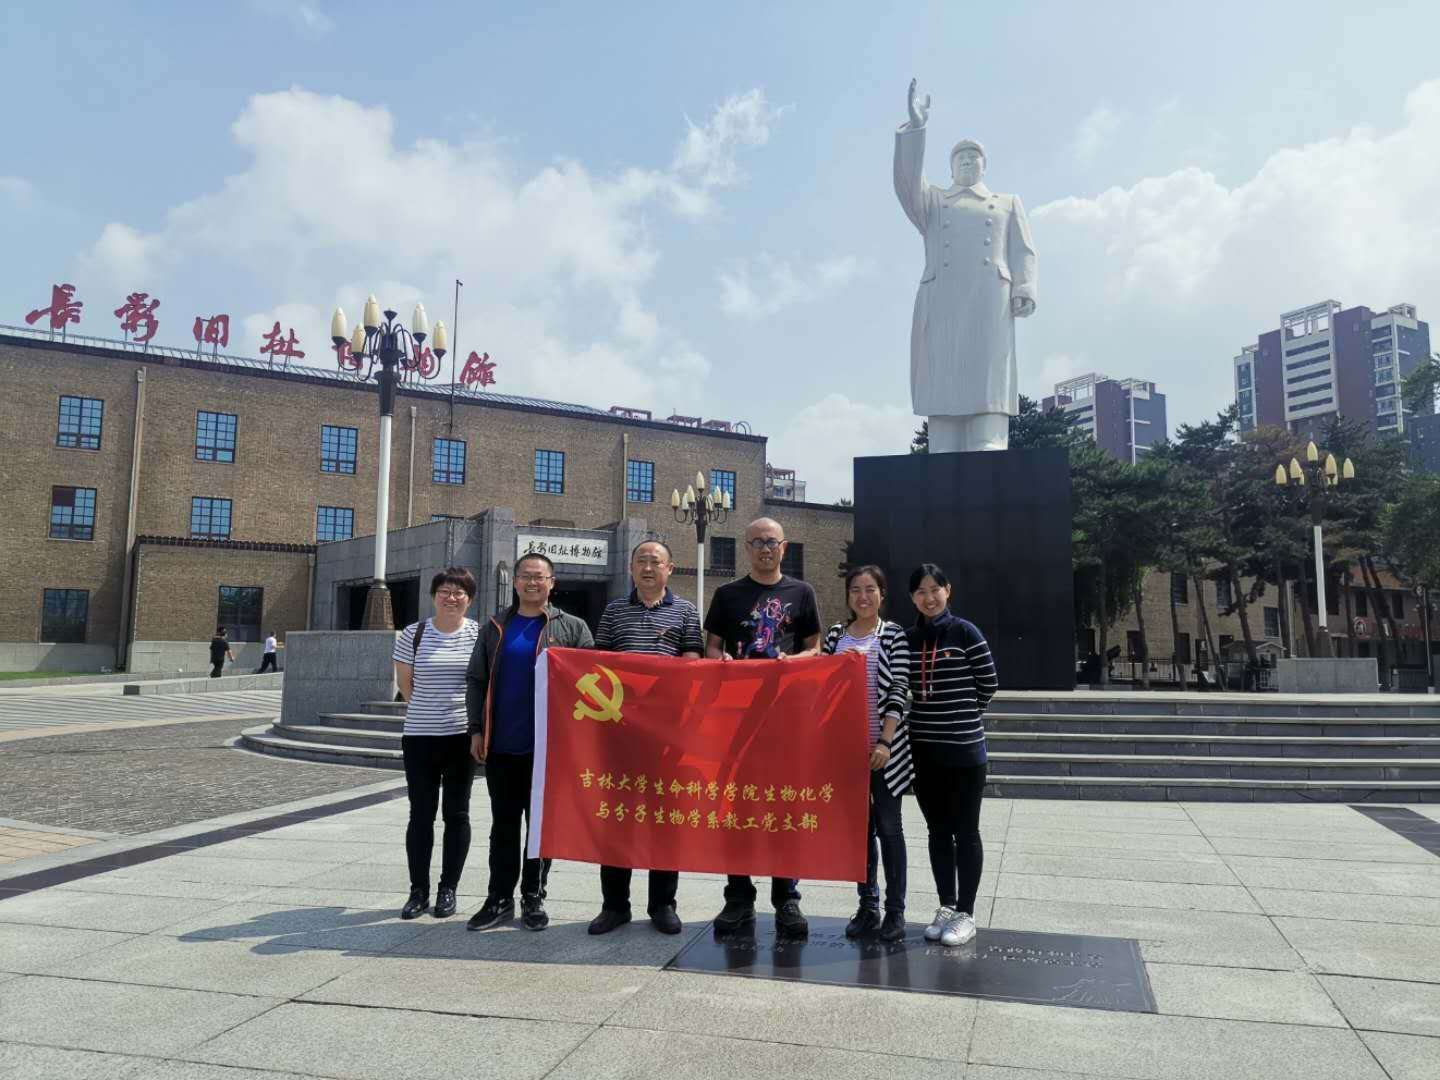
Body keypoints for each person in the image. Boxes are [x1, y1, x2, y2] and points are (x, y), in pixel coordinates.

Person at [704, 516, 820, 937]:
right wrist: (721, 661)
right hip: (735, 717)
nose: (765, 548)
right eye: (757, 542)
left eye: (772, 541)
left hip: (784, 718)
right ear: (746, 548)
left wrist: (793, 662)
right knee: (736, 805)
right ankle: (738, 897)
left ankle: (787, 897)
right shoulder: (727, 594)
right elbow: (711, 647)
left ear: (784, 547)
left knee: (783, 804)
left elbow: (815, 648)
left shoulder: (801, 593)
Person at [465, 552, 594, 932]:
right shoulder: (495, 627)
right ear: (515, 581)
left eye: (540, 577)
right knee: (503, 826)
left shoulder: (572, 628)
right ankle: (499, 898)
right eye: (525, 576)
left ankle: (533, 896)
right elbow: (476, 680)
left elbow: (592, 680)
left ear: (552, 583)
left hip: (550, 749)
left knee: (540, 828)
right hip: (502, 743)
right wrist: (476, 729)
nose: (532, 582)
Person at [588, 539, 704, 937]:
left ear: (670, 568)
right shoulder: (614, 611)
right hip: (620, 734)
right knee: (617, 819)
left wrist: (657, 683)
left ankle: (663, 904)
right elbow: (600, 665)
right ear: (631, 568)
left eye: (656, 561)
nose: (648, 567)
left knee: (664, 820)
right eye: (642, 561)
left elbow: (693, 662)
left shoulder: (686, 611)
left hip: (667, 735)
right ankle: (614, 905)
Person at [906, 563, 998, 947]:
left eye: (935, 590)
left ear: (948, 591)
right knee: (938, 832)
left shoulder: (965, 632)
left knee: (966, 831)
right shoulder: (909, 639)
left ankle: (966, 913)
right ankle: (946, 905)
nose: (929, 598)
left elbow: (988, 683)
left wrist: (961, 718)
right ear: (913, 598)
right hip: (924, 753)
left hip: (964, 753)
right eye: (921, 592)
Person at [821, 565, 912, 943]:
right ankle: (867, 905)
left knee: (890, 829)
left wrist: (885, 743)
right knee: (860, 833)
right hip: (846, 753)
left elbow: (899, 689)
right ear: (848, 596)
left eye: (870, 589)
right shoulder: (836, 636)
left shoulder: (892, 635)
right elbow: (820, 685)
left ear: (882, 594)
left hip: (885, 753)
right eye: (856, 589)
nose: (863, 596)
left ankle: (895, 910)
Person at [393, 568, 481, 921]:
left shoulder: (478, 634)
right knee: (420, 814)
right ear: (433, 596)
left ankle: (448, 889)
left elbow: (481, 684)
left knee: (457, 814)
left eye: (459, 592)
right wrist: (430, 710)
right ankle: (418, 891)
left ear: (469, 599)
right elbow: (406, 686)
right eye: (445, 591)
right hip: (420, 737)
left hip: (461, 737)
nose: (451, 598)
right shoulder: (412, 634)